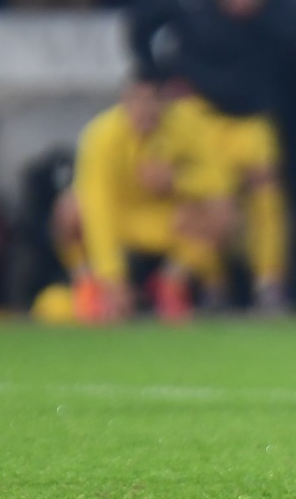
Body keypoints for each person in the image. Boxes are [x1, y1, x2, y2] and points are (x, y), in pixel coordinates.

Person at [128, 0, 296, 312]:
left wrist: (261, 10)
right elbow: (139, 25)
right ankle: (212, 284)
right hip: (199, 111)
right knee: (210, 198)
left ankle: (269, 284)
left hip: (250, 112)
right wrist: (158, 77)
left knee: (266, 194)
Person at [53, 73, 236, 323]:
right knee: (70, 208)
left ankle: (172, 283)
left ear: (165, 102)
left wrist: (176, 180)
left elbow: (220, 181)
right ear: (124, 102)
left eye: (152, 100)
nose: (144, 109)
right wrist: (113, 278)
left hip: (165, 221)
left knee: (220, 213)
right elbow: (98, 206)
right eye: (137, 100)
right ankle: (90, 285)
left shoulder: (186, 127)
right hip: (117, 218)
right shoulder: (101, 135)